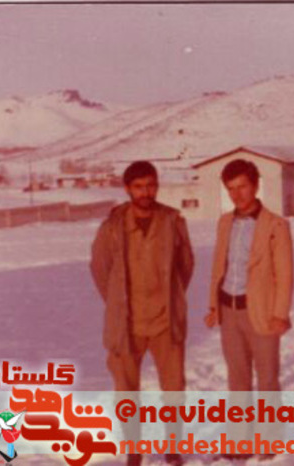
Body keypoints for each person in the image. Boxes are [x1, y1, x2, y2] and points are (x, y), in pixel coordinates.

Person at [90, 161, 194, 466]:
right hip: (127, 325)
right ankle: (134, 451)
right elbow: (100, 269)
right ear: (127, 189)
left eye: (150, 185)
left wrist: (171, 299)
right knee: (126, 391)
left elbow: (185, 266)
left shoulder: (172, 222)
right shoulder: (112, 227)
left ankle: (173, 447)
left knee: (173, 389)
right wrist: (117, 303)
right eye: (138, 187)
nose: (146, 192)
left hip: (165, 322)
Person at [204, 159, 293, 459]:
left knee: (267, 379)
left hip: (262, 312)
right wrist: (213, 306)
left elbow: (285, 275)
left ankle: (269, 443)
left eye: (242, 186)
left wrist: (280, 314)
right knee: (237, 379)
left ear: (255, 185)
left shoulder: (276, 225)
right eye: (231, 189)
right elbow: (219, 266)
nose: (237, 194)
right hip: (229, 311)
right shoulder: (224, 223)